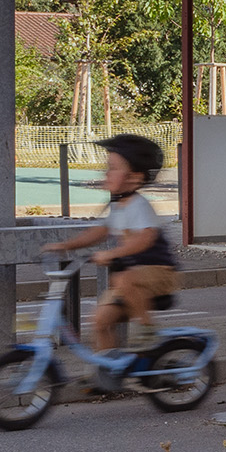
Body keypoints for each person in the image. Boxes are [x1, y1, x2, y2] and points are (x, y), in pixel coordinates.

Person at [46, 134, 179, 366]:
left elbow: (144, 239)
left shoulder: (139, 205)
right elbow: (99, 231)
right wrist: (67, 246)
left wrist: (112, 254)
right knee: (100, 320)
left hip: (159, 272)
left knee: (123, 277)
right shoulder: (117, 205)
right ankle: (107, 373)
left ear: (135, 178)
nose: (106, 173)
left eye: (113, 168)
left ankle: (147, 330)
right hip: (130, 281)